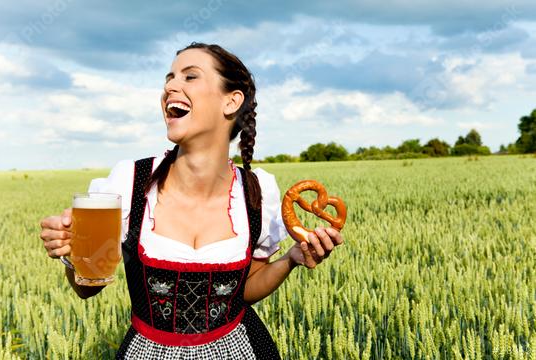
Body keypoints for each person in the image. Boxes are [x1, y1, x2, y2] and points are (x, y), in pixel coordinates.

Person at [39, 42, 344, 359]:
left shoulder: (257, 192)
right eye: (169, 78)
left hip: (238, 348)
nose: (170, 86)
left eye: (190, 77)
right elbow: (87, 288)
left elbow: (246, 289)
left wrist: (291, 258)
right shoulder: (129, 182)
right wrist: (72, 253)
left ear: (231, 101)